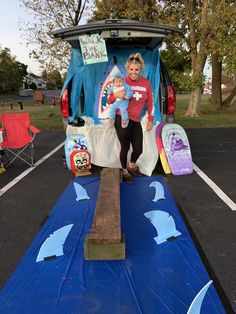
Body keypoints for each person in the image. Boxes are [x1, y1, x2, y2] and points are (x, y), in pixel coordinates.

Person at [107, 53, 154, 183]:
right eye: (131, 69)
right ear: (127, 69)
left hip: (136, 120)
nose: (134, 72)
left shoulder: (146, 83)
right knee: (125, 147)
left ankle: (131, 164)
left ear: (140, 70)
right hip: (121, 118)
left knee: (138, 149)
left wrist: (151, 120)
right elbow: (109, 100)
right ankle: (125, 171)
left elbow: (151, 103)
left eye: (136, 69)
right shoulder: (122, 81)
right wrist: (116, 95)